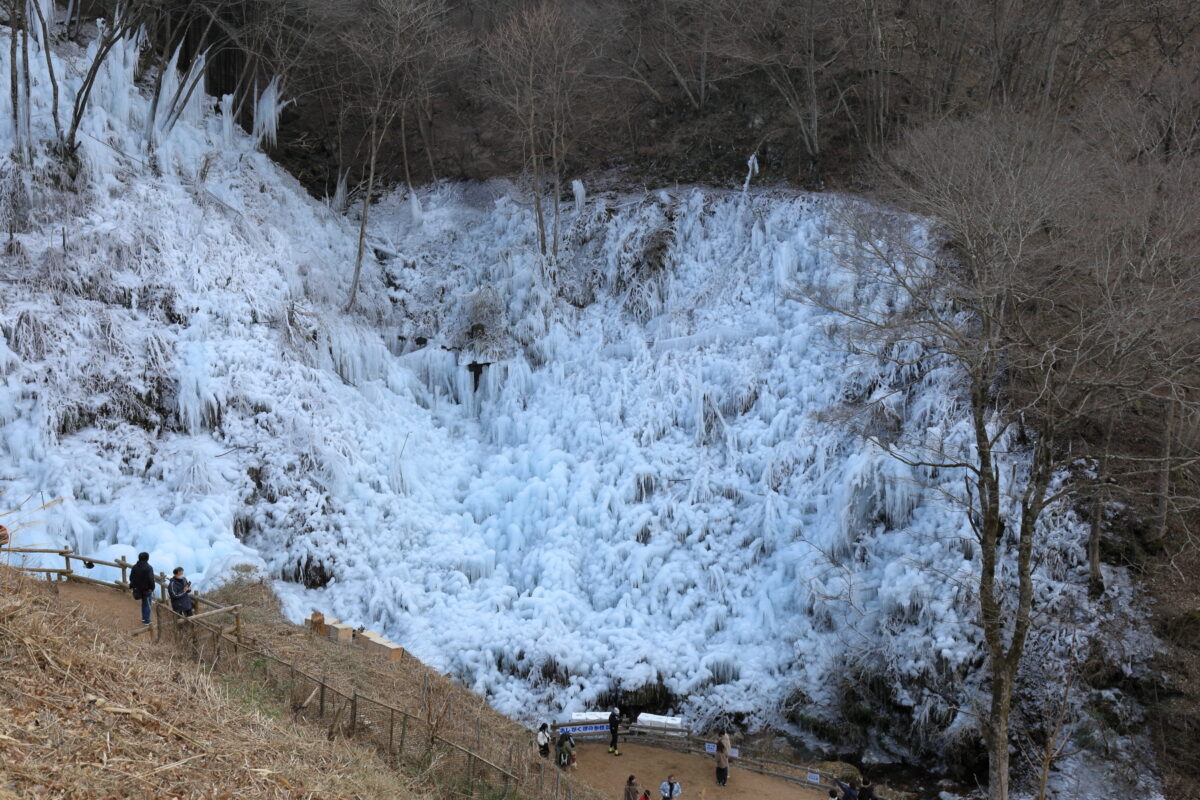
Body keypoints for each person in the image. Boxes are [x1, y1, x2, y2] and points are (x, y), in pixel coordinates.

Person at [130, 552, 156, 625]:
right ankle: (147, 620)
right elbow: (151, 579)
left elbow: (131, 577)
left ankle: (144, 619)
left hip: (138, 588)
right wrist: (152, 588)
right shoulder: (149, 568)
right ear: (147, 558)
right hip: (146, 589)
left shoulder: (135, 567)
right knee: (147, 604)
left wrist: (134, 586)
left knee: (143, 603)